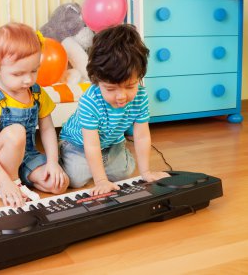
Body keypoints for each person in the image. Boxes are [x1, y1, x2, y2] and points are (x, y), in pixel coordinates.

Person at [59, 24, 169, 195]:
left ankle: (105, 161)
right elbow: (91, 144)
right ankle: (65, 156)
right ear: (96, 80)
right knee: (76, 179)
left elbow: (141, 136)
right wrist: (101, 181)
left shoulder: (140, 96)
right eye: (111, 89)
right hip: (78, 144)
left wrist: (146, 172)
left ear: (139, 75)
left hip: (111, 143)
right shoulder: (90, 101)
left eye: (130, 86)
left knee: (124, 173)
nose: (121, 96)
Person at [0, 22, 69, 207]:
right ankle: (10, 182)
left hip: (27, 155)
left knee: (59, 184)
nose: (28, 79)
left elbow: (48, 129)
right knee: (16, 132)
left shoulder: (36, 92)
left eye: (34, 70)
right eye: (18, 74)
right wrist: (5, 182)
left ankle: (20, 177)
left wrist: (53, 163)